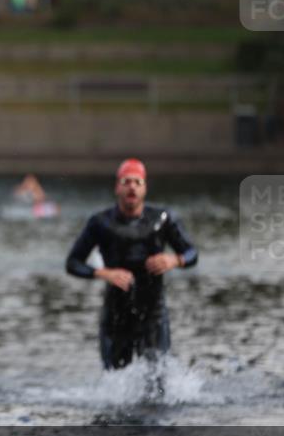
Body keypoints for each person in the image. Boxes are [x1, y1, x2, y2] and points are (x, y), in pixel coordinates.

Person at [65, 159, 198, 370]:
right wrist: (104, 273)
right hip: (116, 315)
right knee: (116, 383)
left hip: (153, 314)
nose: (132, 187)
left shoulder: (162, 219)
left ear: (145, 188)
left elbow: (192, 253)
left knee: (158, 381)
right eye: (126, 181)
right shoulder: (100, 223)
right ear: (117, 187)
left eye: (137, 182)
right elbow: (72, 263)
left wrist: (174, 260)